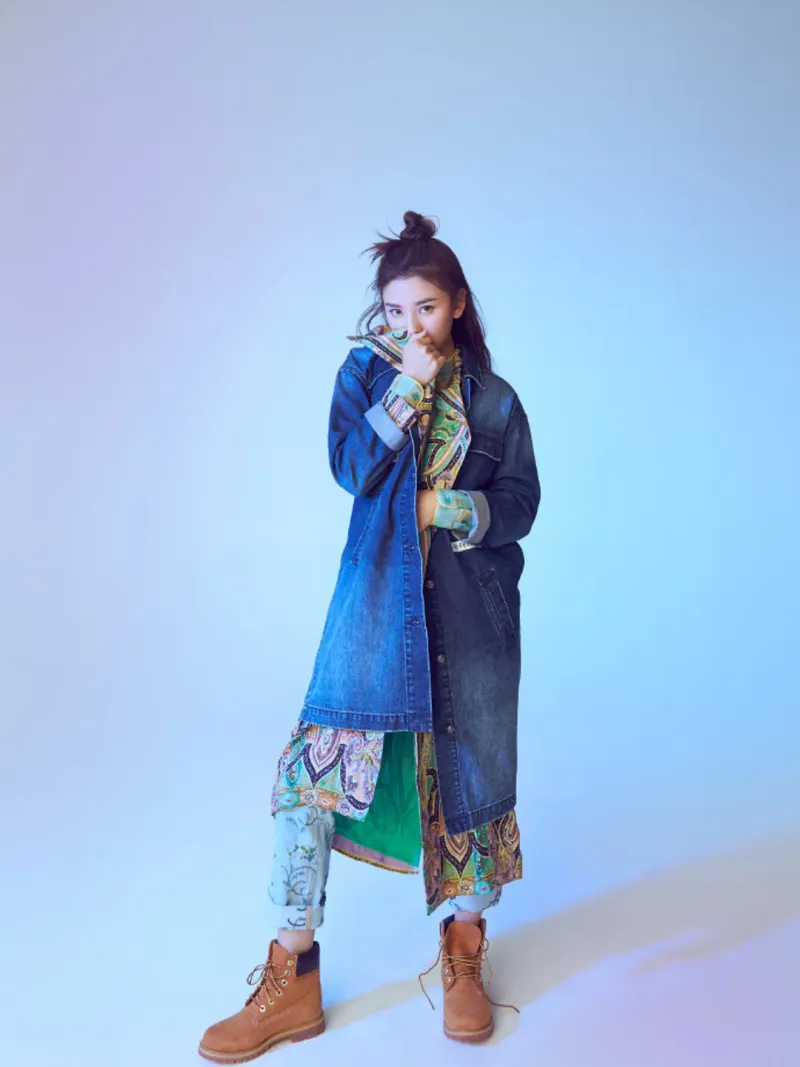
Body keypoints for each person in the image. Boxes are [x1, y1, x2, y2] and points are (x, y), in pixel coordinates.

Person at [198, 210, 541, 1062]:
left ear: (457, 304)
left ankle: (464, 952)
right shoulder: (364, 375)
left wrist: (441, 507)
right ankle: (292, 973)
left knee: (471, 781)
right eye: (394, 310)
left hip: (471, 620)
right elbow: (351, 467)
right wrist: (407, 388)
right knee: (306, 781)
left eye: (425, 307)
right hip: (375, 611)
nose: (410, 324)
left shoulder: (496, 400)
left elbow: (521, 504)